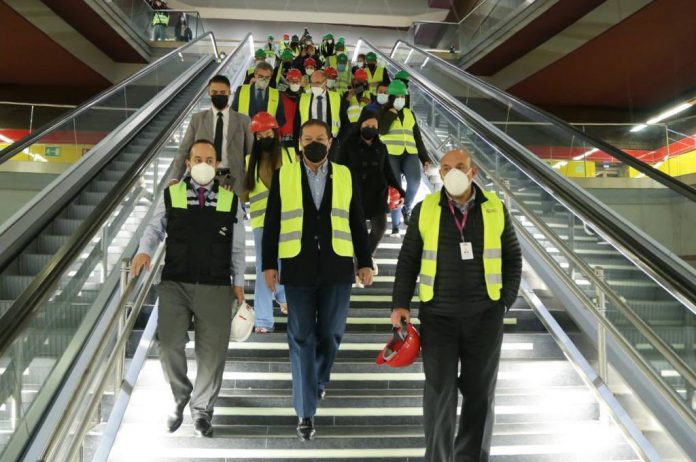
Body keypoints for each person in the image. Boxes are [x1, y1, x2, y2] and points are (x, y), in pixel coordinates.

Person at [391, 149, 522, 462]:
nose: (453, 173)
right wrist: (400, 303)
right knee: (440, 394)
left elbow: (512, 257)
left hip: (485, 316)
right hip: (439, 317)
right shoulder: (426, 209)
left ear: (473, 172)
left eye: (460, 167)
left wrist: (504, 303)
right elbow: (408, 259)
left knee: (480, 395)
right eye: (446, 168)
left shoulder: (494, 208)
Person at [262, 119, 373, 441]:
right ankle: (305, 412)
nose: (315, 143)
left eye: (320, 138)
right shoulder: (285, 175)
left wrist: (364, 261)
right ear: (299, 142)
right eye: (308, 138)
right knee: (300, 338)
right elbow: (272, 223)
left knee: (331, 333)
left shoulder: (344, 174)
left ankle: (317, 382)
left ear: (330, 141)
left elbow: (355, 218)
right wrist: (269, 264)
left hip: (338, 267)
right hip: (296, 267)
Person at [132, 139, 246, 438]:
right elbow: (155, 228)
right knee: (168, 344)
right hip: (175, 283)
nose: (204, 164)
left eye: (210, 160)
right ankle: (181, 394)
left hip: (215, 285)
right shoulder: (173, 193)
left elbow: (237, 248)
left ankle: (202, 410)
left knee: (213, 353)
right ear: (188, 163)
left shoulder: (229, 199)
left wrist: (238, 283)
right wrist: (144, 251)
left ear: (217, 164)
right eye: (198, 159)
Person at [336, 109, 404, 274]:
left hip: (377, 193)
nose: (371, 129)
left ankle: (365, 258)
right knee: (355, 230)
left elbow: (388, 171)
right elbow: (338, 168)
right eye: (368, 125)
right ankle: (360, 260)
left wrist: (400, 191)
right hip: (355, 193)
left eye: (374, 126)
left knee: (380, 229)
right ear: (361, 125)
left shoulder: (381, 146)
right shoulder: (348, 144)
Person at [244, 113, 294, 333]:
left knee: (285, 262)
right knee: (265, 266)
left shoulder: (291, 155)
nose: (264, 137)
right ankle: (263, 319)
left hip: (289, 219)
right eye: (260, 134)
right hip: (262, 221)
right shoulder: (249, 162)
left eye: (268, 132)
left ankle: (282, 296)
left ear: (276, 132)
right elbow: (244, 196)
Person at [170, 75, 253, 195]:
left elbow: (251, 153)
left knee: (227, 212)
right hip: (200, 178)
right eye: (214, 92)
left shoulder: (243, 121)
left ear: (229, 92)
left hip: (231, 180)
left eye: (222, 92)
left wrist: (249, 180)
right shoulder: (197, 119)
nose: (218, 95)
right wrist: (175, 178)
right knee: (202, 212)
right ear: (209, 93)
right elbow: (184, 151)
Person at [378, 80, 429, 235]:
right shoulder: (382, 111)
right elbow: (381, 130)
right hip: (390, 153)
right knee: (395, 188)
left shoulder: (409, 114)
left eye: (403, 96)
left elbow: (418, 138)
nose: (401, 98)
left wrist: (425, 159)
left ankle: (406, 208)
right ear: (391, 97)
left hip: (410, 152)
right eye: (398, 96)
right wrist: (391, 115)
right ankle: (395, 224)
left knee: (414, 181)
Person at [293, 70, 349, 154]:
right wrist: (297, 150)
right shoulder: (303, 99)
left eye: (318, 83)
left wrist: (339, 142)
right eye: (312, 83)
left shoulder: (336, 98)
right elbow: (296, 125)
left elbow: (345, 123)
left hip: (330, 144)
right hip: (309, 142)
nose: (314, 86)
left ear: (325, 82)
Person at [232, 62, 286, 127]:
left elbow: (281, 119)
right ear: (255, 74)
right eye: (260, 76)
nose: (263, 80)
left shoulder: (276, 94)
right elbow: (233, 114)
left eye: (267, 77)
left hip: (266, 134)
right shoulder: (241, 90)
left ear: (270, 77)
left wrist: (269, 126)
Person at [279, 69, 303, 148]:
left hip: (302, 136)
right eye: (292, 81)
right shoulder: (281, 97)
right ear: (288, 81)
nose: (295, 83)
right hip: (285, 136)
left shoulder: (306, 97)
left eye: (297, 81)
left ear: (301, 81)